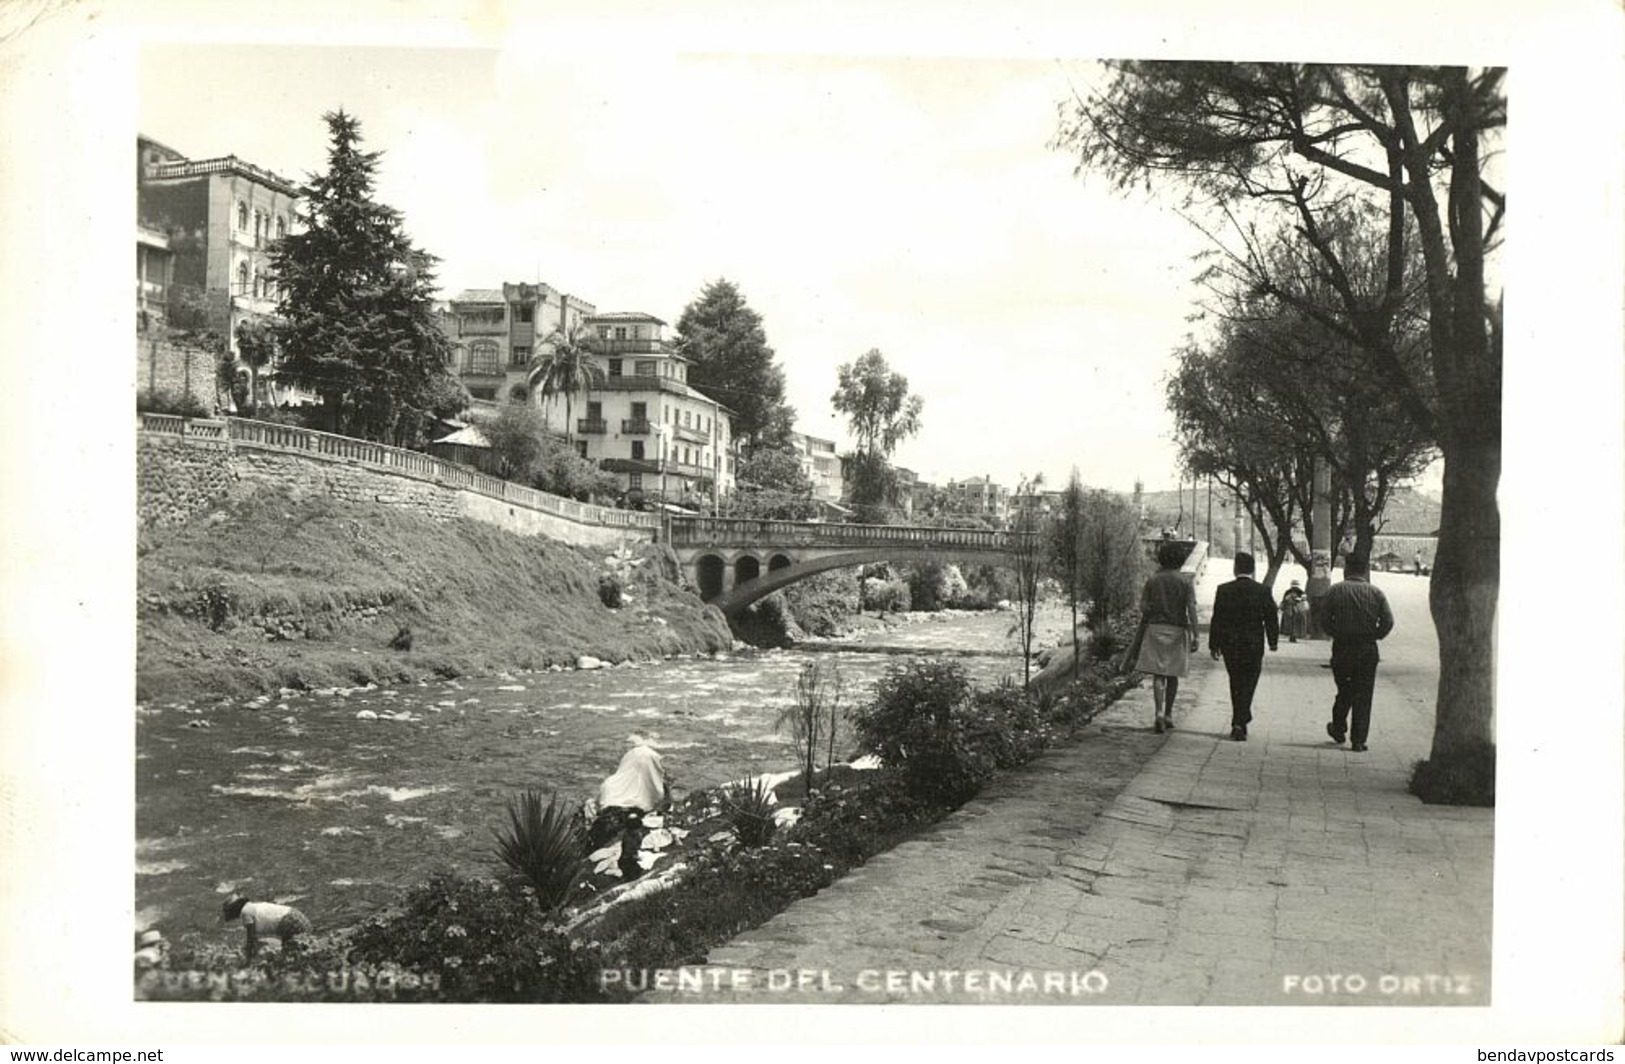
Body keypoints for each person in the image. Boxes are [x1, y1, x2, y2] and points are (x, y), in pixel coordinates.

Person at [1320, 553, 1395, 753]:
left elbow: (1323, 620)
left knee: (1344, 690)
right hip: (1367, 649)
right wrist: (1374, 635)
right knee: (1363, 694)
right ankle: (1358, 740)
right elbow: (1388, 621)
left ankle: (1338, 727)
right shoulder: (1376, 593)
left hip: (1342, 647)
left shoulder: (1334, 591)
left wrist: (1336, 632)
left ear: (1346, 569)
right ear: (1365, 570)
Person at [1208, 552, 1279, 741]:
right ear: (1253, 569)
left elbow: (1217, 619)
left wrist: (1214, 645)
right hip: (1254, 644)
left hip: (1230, 645)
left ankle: (1239, 719)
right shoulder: (1263, 591)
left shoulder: (1223, 590)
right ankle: (1241, 718)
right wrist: (1273, 641)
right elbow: (1271, 618)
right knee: (1250, 681)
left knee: (1236, 681)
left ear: (1235, 569)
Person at [1136, 540, 1200, 733]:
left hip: (1155, 628)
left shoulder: (1153, 580)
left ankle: (1158, 712)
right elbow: (1191, 609)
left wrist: (1155, 611)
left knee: (1158, 674)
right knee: (1173, 675)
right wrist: (1196, 634)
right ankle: (1170, 714)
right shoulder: (1185, 581)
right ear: (1181, 560)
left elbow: (1143, 607)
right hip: (1177, 630)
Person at [588, 745, 672, 879]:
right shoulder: (654, 784)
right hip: (619, 825)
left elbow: (600, 804)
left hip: (601, 829)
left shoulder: (610, 783)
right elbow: (663, 802)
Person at [221, 896, 311, 960]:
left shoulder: (246, 912)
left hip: (291, 921)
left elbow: (251, 939)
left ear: (234, 909)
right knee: (298, 952)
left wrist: (247, 958)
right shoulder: (251, 907)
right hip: (298, 918)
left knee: (290, 956)